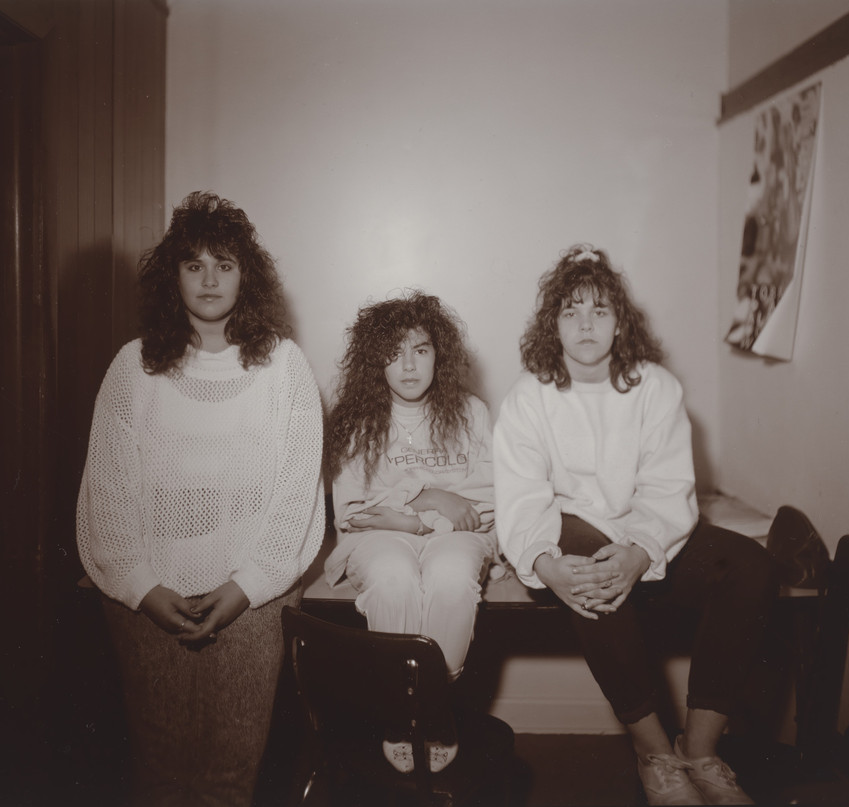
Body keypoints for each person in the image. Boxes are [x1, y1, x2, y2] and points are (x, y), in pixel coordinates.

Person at [493, 245, 777, 806]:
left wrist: (642, 550)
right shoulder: (529, 399)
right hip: (569, 528)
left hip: (649, 528)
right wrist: (545, 564)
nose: (585, 325)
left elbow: (671, 490)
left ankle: (700, 751)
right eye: (571, 312)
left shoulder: (656, 387)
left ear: (620, 322)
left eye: (599, 311)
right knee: (590, 571)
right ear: (553, 325)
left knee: (754, 567)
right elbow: (522, 498)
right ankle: (655, 754)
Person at [75, 191, 325, 807]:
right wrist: (143, 588)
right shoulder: (132, 368)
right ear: (173, 277)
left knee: (228, 778)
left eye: (225, 264)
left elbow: (296, 498)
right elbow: (105, 493)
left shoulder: (285, 369)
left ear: (249, 276)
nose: (210, 279)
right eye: (193, 264)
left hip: (251, 598)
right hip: (148, 597)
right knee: (161, 774)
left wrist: (243, 588)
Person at [323, 292, 496, 774]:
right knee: (393, 577)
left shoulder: (472, 413)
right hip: (379, 540)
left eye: (420, 349)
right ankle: (398, 713)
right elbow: (354, 511)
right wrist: (432, 501)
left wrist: (407, 512)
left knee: (450, 576)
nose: (408, 365)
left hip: (456, 538)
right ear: (373, 360)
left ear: (439, 353)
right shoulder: (357, 420)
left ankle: (434, 706)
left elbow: (488, 502)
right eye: (393, 352)